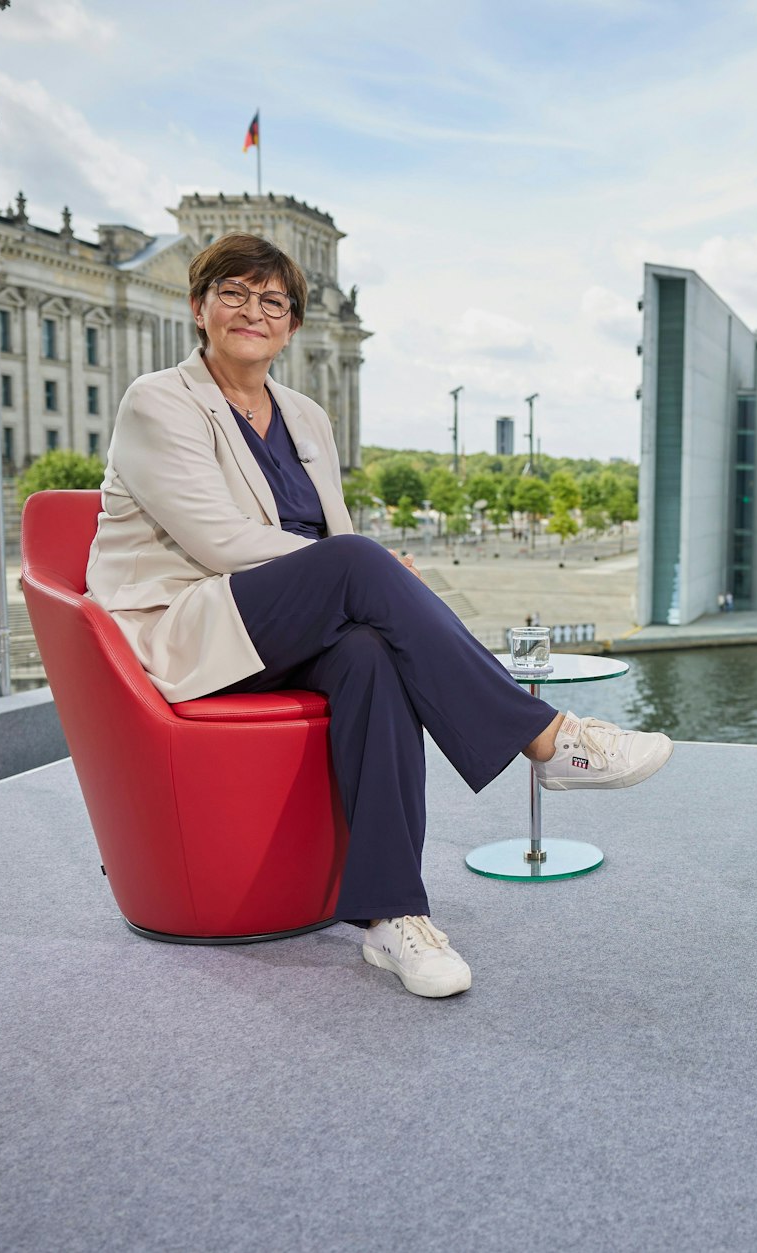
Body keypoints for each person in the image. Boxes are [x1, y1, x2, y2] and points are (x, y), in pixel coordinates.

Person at [85, 234, 673, 995]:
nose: (252, 311)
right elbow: (219, 541)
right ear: (199, 309)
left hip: (286, 627)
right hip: (193, 629)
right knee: (363, 563)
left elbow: (333, 533)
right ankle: (550, 738)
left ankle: (391, 916)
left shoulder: (305, 417)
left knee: (369, 655)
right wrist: (359, 568)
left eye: (273, 301)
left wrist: (362, 573)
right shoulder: (158, 400)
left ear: (292, 326)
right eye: (232, 293)